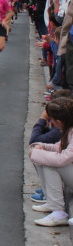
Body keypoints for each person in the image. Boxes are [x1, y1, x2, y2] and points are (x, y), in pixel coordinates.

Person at [29, 97, 73, 227]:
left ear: (58, 121)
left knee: (49, 162)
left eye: (51, 120)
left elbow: (63, 159)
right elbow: (60, 147)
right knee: (43, 158)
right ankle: (53, 204)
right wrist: (42, 146)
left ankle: (58, 211)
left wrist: (36, 152)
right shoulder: (69, 129)